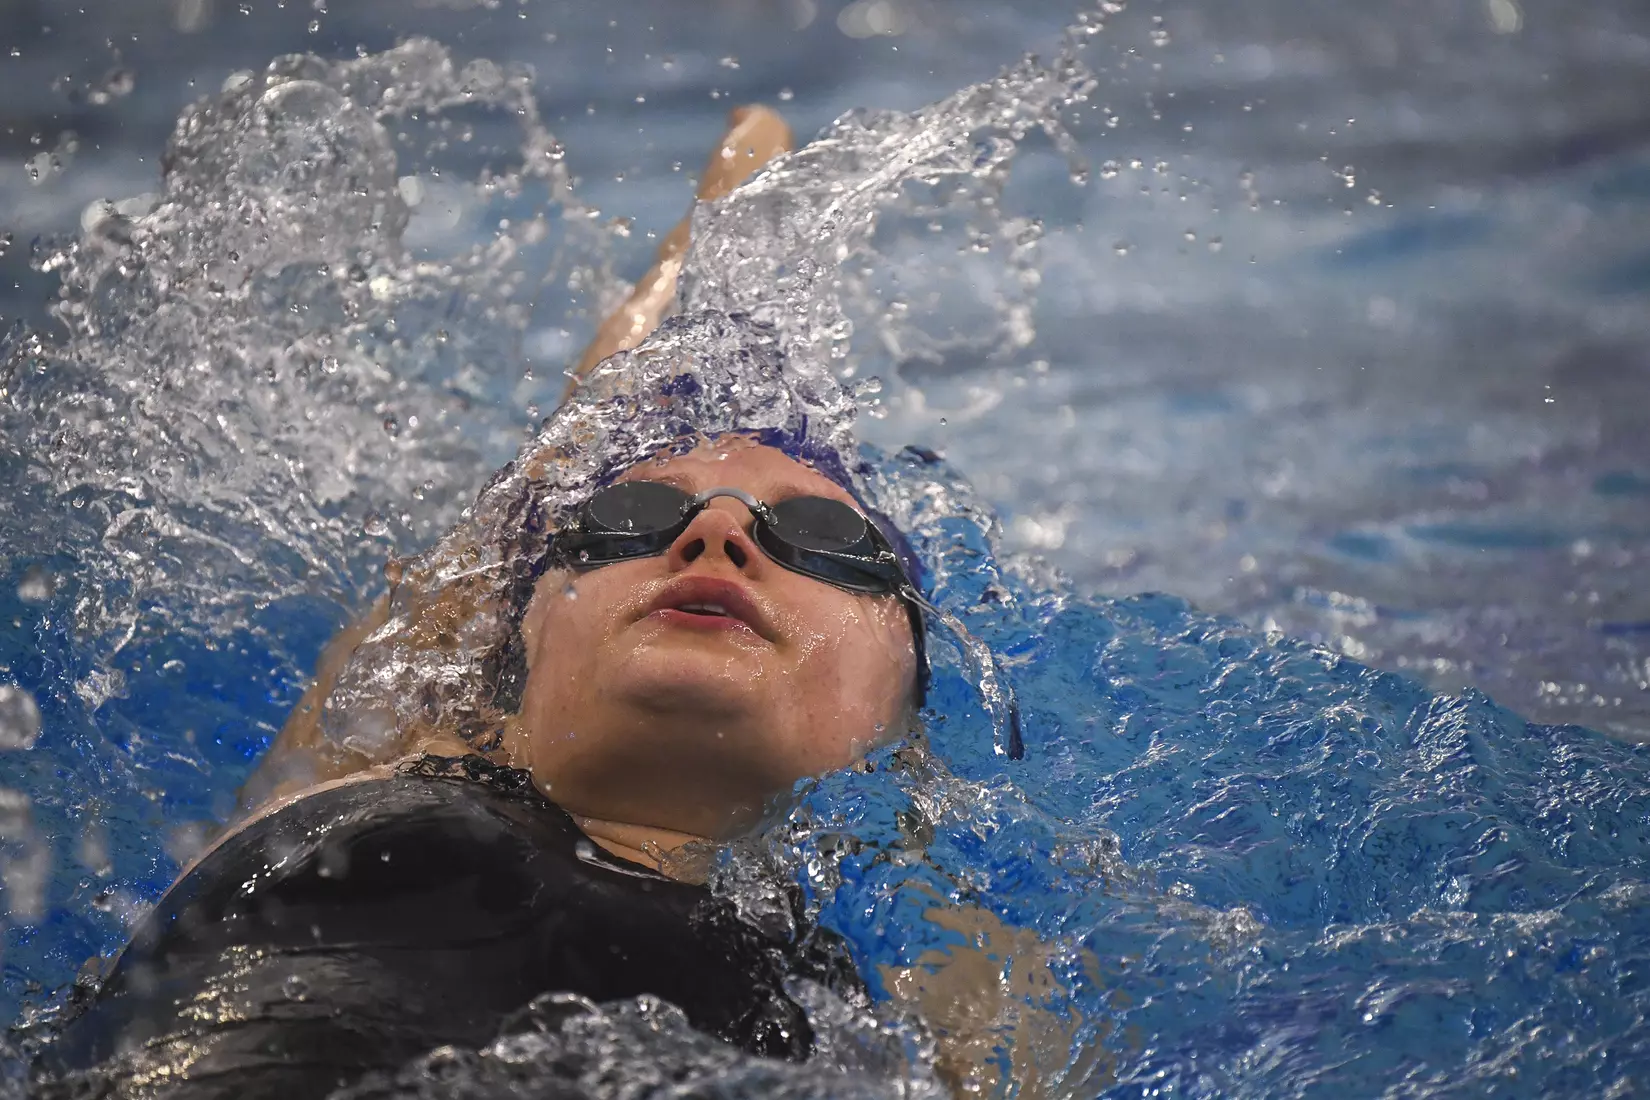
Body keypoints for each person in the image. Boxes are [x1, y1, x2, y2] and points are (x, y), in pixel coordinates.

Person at [36, 107, 1087, 1100]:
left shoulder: (948, 989)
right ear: (513, 650)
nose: (712, 534)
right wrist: (717, 232)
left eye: (820, 537)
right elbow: (526, 498)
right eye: (627, 516)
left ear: (906, 721)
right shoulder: (363, 779)